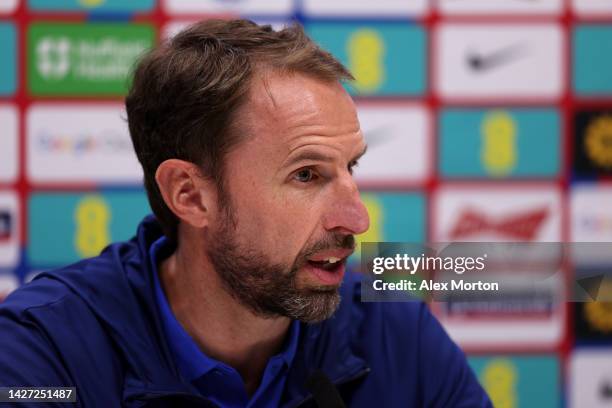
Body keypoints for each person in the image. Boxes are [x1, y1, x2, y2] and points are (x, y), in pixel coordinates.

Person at [0, 19, 491, 407]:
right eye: (306, 176)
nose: (357, 220)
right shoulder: (47, 351)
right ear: (190, 195)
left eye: (351, 167)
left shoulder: (394, 334)